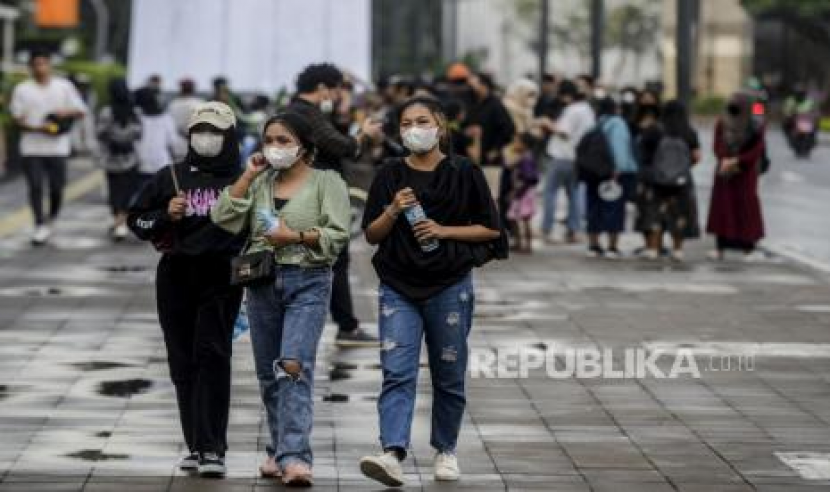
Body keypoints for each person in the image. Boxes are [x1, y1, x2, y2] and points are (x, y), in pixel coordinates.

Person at [358, 97, 506, 487]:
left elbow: (491, 229)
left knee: (449, 372)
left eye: (422, 121)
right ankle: (392, 452)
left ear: (440, 125)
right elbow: (371, 234)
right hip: (397, 286)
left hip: (450, 283)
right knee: (397, 371)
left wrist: (443, 230)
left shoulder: (463, 172)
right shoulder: (390, 174)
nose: (414, 129)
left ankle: (446, 450)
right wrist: (392, 210)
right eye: (406, 122)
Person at [211, 111, 350, 487]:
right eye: (269, 140)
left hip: (309, 280)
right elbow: (223, 217)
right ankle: (278, 448)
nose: (274, 147)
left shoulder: (327, 182)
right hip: (261, 283)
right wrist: (248, 174)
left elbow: (339, 235)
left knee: (292, 367)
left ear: (304, 146)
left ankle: (296, 458)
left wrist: (297, 237)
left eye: (283, 141)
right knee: (268, 373)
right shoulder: (260, 182)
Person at [126, 102, 245, 478]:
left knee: (212, 354)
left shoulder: (243, 178)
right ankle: (195, 444)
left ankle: (214, 448)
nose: (206, 138)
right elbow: (137, 220)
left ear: (229, 136)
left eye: (214, 131)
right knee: (182, 361)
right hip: (176, 276)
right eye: (200, 130)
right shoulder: (170, 177)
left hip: (222, 276)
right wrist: (165, 215)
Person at [287, 63, 382, 347]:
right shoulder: (306, 114)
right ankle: (346, 325)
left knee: (328, 261)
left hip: (312, 194)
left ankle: (343, 322)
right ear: (322, 89)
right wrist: (364, 135)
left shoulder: (300, 111)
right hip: (319, 197)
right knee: (335, 260)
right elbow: (342, 147)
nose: (340, 95)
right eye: (337, 89)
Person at [9, 49, 86, 245]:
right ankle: (39, 224)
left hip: (58, 148)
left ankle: (52, 217)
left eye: (44, 63)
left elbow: (81, 110)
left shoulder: (64, 87)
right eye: (36, 64)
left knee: (57, 188)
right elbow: (16, 118)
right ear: (31, 67)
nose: (40, 68)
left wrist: (64, 112)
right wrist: (36, 127)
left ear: (50, 65)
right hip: (31, 148)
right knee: (35, 186)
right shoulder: (22, 89)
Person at [636, 101, 701, 261]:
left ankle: (653, 248)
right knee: (679, 214)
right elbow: (696, 156)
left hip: (655, 180)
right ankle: (677, 249)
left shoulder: (653, 130)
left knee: (654, 213)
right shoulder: (688, 131)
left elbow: (643, 156)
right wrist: (681, 169)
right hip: (681, 182)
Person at [706, 92, 766, 261]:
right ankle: (720, 247)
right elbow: (716, 143)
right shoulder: (722, 121)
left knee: (746, 208)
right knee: (723, 209)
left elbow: (757, 149)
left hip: (745, 173)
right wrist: (724, 159)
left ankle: (749, 248)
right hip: (725, 173)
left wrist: (737, 160)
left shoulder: (756, 124)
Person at [538, 79, 595, 243]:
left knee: (550, 193)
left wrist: (547, 123)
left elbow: (564, 132)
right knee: (574, 194)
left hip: (562, 155)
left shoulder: (572, 110)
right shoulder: (587, 109)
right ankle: (574, 229)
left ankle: (546, 228)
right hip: (577, 157)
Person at [584, 97, 637, 258]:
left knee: (593, 207)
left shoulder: (596, 124)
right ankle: (612, 247)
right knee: (613, 208)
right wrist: (618, 169)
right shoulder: (618, 123)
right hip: (612, 173)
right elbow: (619, 147)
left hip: (593, 172)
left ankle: (593, 245)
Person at [95, 78, 142, 241]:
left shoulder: (106, 112)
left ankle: (118, 221)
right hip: (130, 157)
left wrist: (114, 137)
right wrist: (126, 137)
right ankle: (120, 221)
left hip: (111, 158)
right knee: (128, 191)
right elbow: (139, 133)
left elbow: (100, 133)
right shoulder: (134, 111)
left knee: (114, 191)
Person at [464, 72, 516, 201]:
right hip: (472, 157)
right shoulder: (473, 102)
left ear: (484, 85)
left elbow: (508, 129)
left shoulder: (495, 105)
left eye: (475, 84)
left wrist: (496, 149)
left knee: (491, 196)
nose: (472, 88)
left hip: (490, 159)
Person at [134, 87, 182, 194]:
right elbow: (173, 142)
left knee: (143, 197)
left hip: (142, 164)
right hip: (162, 163)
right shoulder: (166, 118)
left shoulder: (137, 118)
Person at [506, 133, 539, 253]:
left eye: (516, 141)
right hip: (522, 191)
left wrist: (516, 192)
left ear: (524, 144)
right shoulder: (523, 157)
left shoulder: (526, 158)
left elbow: (528, 178)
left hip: (524, 192)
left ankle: (527, 245)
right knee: (514, 217)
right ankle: (520, 242)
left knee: (524, 218)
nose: (514, 144)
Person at [167, 79, 205, 143]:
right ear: (193, 89)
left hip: (178, 141)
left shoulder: (173, 105)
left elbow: (170, 126)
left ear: (181, 89)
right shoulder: (200, 103)